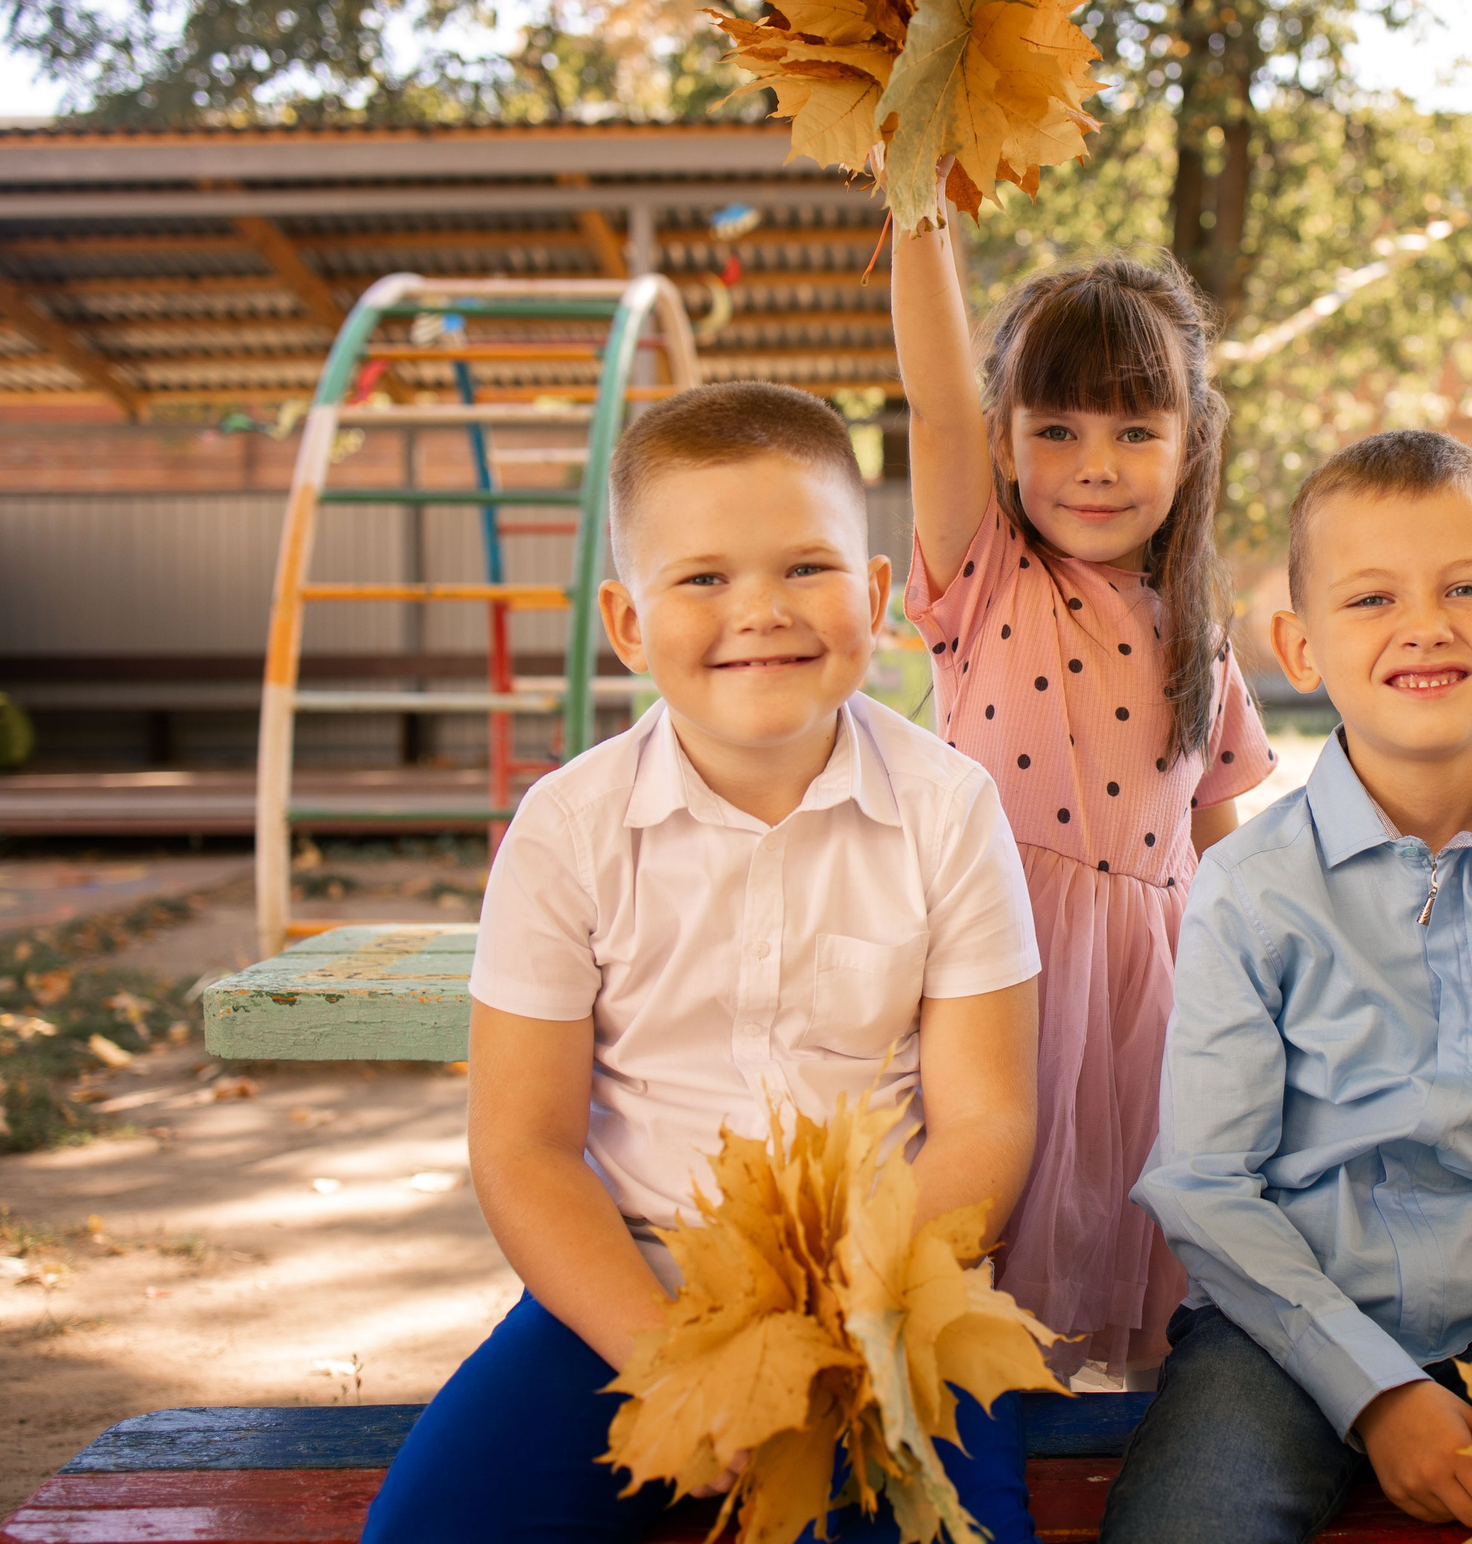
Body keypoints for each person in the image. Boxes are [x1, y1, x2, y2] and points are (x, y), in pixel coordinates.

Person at [362, 383, 1047, 1544]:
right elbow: (522, 1147)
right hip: (628, 1294)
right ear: (628, 624)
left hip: (881, 1300)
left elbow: (986, 1127)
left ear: (874, 598)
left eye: (805, 568)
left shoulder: (949, 808)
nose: (761, 612)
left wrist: (833, 1336)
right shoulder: (569, 829)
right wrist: (674, 1364)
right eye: (703, 579)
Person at [1106, 430, 1472, 1543]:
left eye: (1467, 586)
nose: (1425, 624)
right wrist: (1378, 1392)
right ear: (1298, 648)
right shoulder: (1248, 891)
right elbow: (1207, 1187)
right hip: (1280, 1326)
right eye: (1372, 599)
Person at [893, 223, 1276, 1378]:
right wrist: (918, 212)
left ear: (1189, 443)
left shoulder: (1199, 641)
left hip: (1154, 1010)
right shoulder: (985, 579)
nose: (1094, 462)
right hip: (998, 991)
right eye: (1054, 428)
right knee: (994, 1311)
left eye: (1132, 430)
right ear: (1003, 443)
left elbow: (1223, 851)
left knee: (1163, 1308)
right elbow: (935, 402)